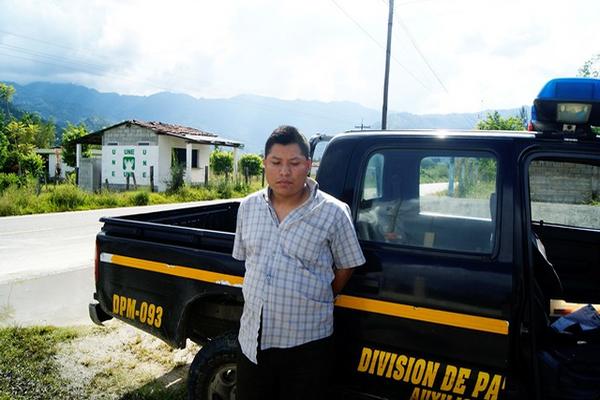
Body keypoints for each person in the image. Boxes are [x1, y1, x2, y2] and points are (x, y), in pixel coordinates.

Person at [232, 125, 365, 400]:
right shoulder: (248, 207)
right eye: (276, 163)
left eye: (294, 163)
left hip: (308, 344)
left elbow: (347, 265)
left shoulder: (333, 213)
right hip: (251, 341)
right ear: (264, 164)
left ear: (308, 165)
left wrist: (323, 295)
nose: (284, 172)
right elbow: (247, 260)